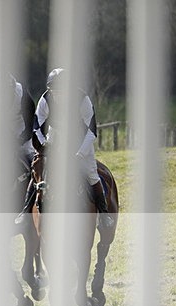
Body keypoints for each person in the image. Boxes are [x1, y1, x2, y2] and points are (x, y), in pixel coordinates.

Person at [17, 68, 113, 227]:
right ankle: (25, 210)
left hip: (81, 139)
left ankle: (104, 215)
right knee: (39, 171)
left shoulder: (82, 99)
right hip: (55, 137)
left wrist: (80, 153)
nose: (58, 94)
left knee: (91, 174)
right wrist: (43, 147)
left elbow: (92, 130)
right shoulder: (46, 99)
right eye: (55, 90)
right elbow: (36, 126)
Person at [0, 72, 37, 210]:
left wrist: (17, 141)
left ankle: (36, 193)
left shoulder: (22, 95)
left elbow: (30, 125)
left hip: (20, 126)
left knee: (31, 156)